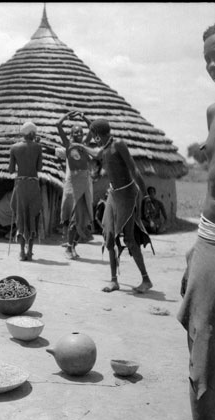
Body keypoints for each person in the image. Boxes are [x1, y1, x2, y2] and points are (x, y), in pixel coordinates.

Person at [178, 23, 215, 420]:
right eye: (206, 56)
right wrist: (196, 246)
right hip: (209, 239)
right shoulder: (213, 112)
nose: (212, 64)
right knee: (201, 356)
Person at [78, 114, 154, 293]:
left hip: (127, 194)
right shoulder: (104, 148)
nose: (93, 139)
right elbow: (96, 147)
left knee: (129, 239)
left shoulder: (118, 145)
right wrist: (85, 120)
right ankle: (114, 281)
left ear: (98, 135)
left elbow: (134, 169)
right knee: (109, 237)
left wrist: (145, 196)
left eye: (94, 135)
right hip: (113, 195)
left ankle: (146, 279)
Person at [55, 111, 94, 259]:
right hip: (73, 183)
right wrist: (67, 115)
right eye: (75, 132)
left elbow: (92, 127)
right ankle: (69, 248)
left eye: (80, 132)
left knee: (83, 218)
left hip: (84, 182)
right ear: (71, 134)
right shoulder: (68, 145)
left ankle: (73, 246)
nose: (78, 133)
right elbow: (58, 125)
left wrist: (83, 116)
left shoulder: (84, 145)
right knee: (74, 217)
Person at [8, 121, 43, 261]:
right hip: (33, 185)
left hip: (20, 185)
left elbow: (11, 170)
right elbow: (39, 168)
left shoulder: (14, 147)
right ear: (33, 134)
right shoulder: (38, 147)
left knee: (21, 216)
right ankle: (30, 252)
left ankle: (22, 252)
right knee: (33, 216)